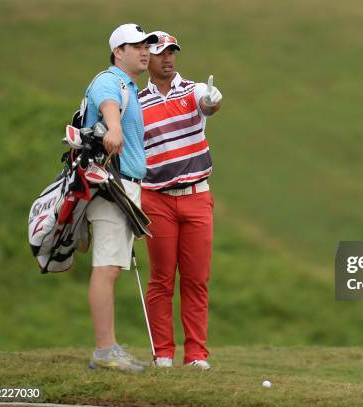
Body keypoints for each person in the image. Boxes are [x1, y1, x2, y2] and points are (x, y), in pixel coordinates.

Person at [138, 30, 223, 369]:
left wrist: (212, 101)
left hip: (197, 197)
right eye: (161, 53)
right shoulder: (136, 101)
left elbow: (209, 103)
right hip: (156, 199)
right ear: (148, 60)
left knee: (195, 279)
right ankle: (163, 354)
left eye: (172, 52)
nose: (168, 58)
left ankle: (196, 355)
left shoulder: (193, 91)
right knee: (161, 279)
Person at [85, 23, 158, 372]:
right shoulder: (110, 80)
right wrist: (113, 127)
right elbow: (107, 104)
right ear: (118, 52)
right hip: (111, 186)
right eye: (136, 46)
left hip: (125, 186)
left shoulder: (129, 86)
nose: (144, 51)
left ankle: (108, 347)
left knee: (112, 266)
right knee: (107, 268)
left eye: (146, 46)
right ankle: (104, 351)